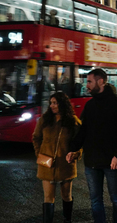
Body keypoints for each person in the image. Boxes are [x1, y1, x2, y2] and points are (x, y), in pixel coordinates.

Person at [67, 69, 117, 223]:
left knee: (116, 200)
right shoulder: (90, 105)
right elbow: (83, 131)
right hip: (92, 162)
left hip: (112, 162)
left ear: (101, 81)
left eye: (90, 82)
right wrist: (72, 148)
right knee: (95, 201)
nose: (87, 85)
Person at [33, 92, 82, 223]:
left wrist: (75, 154)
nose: (52, 106)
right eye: (51, 103)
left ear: (62, 104)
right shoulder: (45, 119)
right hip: (46, 165)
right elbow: (36, 138)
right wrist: (39, 154)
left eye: (55, 103)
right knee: (48, 197)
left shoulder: (73, 121)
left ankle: (67, 219)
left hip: (66, 165)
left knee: (66, 195)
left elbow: (80, 143)